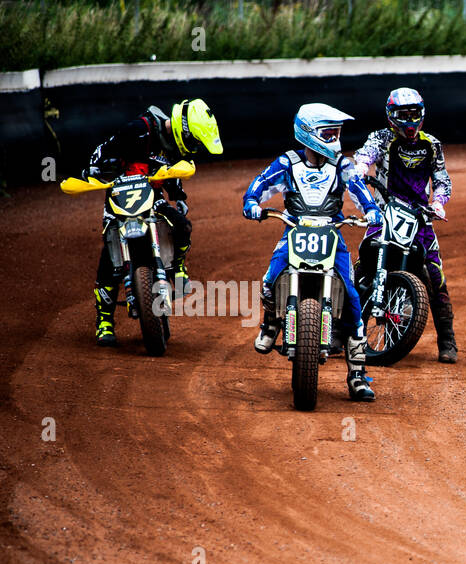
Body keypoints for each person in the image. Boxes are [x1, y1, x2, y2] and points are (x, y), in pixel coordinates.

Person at [242, 103, 381, 402]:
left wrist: (371, 210)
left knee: (353, 296)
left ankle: (357, 374)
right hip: (294, 231)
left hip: (332, 233)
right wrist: (252, 203)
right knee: (269, 279)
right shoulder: (287, 163)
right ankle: (271, 322)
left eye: (336, 132)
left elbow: (359, 189)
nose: (334, 138)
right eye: (328, 132)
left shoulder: (342, 166)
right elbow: (259, 185)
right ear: (308, 133)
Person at [84, 99, 223, 345]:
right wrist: (95, 168)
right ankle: (104, 320)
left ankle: (178, 266)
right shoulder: (139, 130)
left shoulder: (172, 145)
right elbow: (101, 153)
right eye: (193, 142)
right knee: (110, 252)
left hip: (152, 197)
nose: (192, 148)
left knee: (181, 225)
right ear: (184, 130)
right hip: (120, 196)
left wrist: (179, 197)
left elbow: (171, 173)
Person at [353, 87, 459, 363]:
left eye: (414, 115)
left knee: (436, 277)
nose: (410, 121)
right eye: (404, 115)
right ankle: (343, 329)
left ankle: (447, 339)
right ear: (392, 116)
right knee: (363, 263)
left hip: (420, 217)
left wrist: (439, 202)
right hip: (385, 212)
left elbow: (443, 179)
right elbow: (366, 153)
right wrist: (362, 167)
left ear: (422, 115)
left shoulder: (432, 144)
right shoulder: (382, 138)